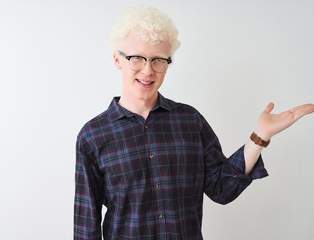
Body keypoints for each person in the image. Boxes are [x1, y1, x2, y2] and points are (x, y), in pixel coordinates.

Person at [73, 6, 314, 240]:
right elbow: (86, 227)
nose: (148, 71)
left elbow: (222, 188)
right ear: (117, 59)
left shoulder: (189, 121)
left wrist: (260, 135)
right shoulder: (93, 136)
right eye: (137, 58)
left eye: (158, 60)